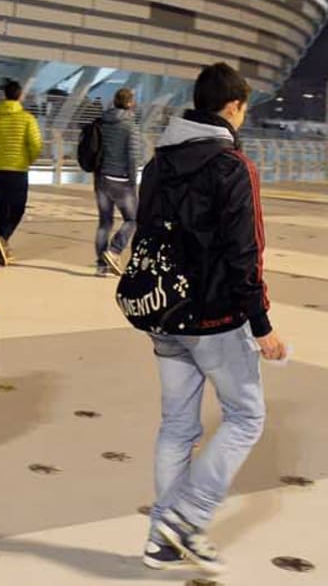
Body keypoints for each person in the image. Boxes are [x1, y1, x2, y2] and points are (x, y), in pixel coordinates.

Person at [137, 62, 286, 575]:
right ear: (233, 107)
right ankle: (184, 516)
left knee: (177, 427)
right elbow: (246, 253)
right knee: (246, 416)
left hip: (163, 312)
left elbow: (146, 236)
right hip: (215, 317)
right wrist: (261, 326)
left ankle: (162, 536)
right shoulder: (231, 166)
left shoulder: (157, 163)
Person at [0, 80, 42, 265]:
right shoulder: (27, 118)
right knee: (18, 208)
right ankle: (3, 239)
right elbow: (36, 145)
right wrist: (28, 159)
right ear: (20, 96)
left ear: (4, 95)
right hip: (18, 170)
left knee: (2, 207)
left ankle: (2, 245)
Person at [94, 87, 139, 277]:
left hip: (101, 178)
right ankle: (114, 251)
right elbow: (133, 156)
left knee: (105, 222)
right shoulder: (130, 126)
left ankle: (101, 266)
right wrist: (132, 180)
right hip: (121, 180)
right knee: (133, 219)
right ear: (129, 103)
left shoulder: (102, 122)